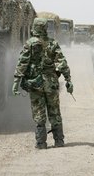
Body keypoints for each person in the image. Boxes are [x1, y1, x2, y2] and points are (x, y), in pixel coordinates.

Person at [12, 17, 73, 149]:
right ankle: (59, 141)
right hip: (51, 83)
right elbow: (62, 63)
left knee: (38, 113)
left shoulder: (30, 43)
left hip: (35, 84)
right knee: (55, 111)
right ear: (45, 28)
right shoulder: (53, 43)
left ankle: (41, 143)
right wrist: (68, 80)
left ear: (34, 28)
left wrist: (16, 82)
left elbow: (22, 63)